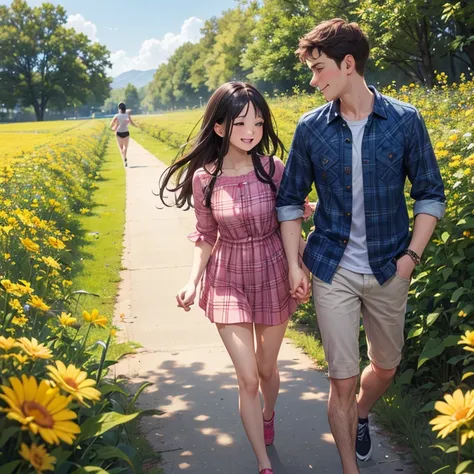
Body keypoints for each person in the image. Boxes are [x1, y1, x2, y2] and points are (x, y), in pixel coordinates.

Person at [276, 19, 445, 474]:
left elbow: (430, 193)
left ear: (347, 65)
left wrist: (411, 257)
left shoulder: (405, 120)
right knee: (342, 379)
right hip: (333, 266)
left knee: (385, 367)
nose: (313, 81)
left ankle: (363, 414)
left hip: (391, 266)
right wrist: (296, 265)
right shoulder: (311, 128)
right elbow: (290, 200)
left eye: (318, 69)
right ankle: (350, 467)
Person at [159, 81, 309, 474]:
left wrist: (300, 253)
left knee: (265, 370)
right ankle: (263, 463)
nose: (251, 132)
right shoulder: (204, 179)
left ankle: (268, 413)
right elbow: (206, 235)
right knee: (247, 378)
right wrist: (193, 281)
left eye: (258, 124)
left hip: (272, 269)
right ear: (221, 127)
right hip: (227, 276)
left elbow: (290, 216)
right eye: (241, 123)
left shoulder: (273, 169)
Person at [110, 102, 135, 166]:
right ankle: (125, 158)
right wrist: (136, 125)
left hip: (119, 133)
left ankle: (124, 158)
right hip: (126, 132)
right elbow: (131, 122)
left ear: (119, 108)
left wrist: (114, 127)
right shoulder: (127, 115)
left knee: (121, 148)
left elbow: (111, 124)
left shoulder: (117, 116)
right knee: (125, 147)